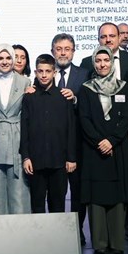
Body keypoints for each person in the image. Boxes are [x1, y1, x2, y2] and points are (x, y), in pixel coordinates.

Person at [78, 46, 128, 254]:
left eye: (106, 60)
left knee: (117, 195)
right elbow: (84, 119)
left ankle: (117, 242)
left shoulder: (123, 87)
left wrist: (111, 141)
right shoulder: (86, 89)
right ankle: (100, 243)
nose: (102, 64)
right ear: (93, 63)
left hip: (118, 149)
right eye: (98, 61)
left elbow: (126, 117)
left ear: (112, 62)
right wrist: (99, 141)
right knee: (97, 196)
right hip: (94, 151)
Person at [21, 54, 77, 213]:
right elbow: (24, 129)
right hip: (36, 161)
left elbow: (71, 129)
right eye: (40, 71)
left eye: (48, 71)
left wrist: (71, 158)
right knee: (37, 206)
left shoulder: (63, 97)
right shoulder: (29, 97)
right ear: (35, 72)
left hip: (59, 162)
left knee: (58, 206)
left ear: (54, 73)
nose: (44, 75)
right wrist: (26, 157)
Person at [0, 44, 31, 215]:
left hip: (17, 140)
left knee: (19, 195)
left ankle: (21, 231)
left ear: (13, 59)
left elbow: (28, 115)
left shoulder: (25, 82)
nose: (4, 62)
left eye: (8, 58)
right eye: (1, 58)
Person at [52, 33, 91, 244]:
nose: (63, 53)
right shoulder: (44, 73)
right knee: (56, 191)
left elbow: (90, 105)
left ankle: (78, 230)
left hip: (77, 143)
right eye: (59, 49)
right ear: (52, 51)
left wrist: (75, 98)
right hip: (52, 144)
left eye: (67, 49)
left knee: (78, 191)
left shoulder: (84, 74)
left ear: (73, 52)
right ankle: (57, 232)